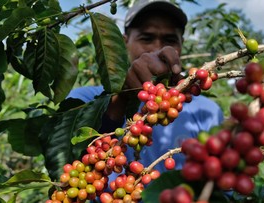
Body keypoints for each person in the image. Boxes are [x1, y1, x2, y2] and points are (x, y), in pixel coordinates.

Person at [67, 0, 224, 172]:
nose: (157, 48)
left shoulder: (207, 112)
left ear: (181, 44)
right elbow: (73, 162)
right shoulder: (84, 100)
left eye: (170, 39)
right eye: (146, 38)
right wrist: (122, 98)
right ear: (124, 42)